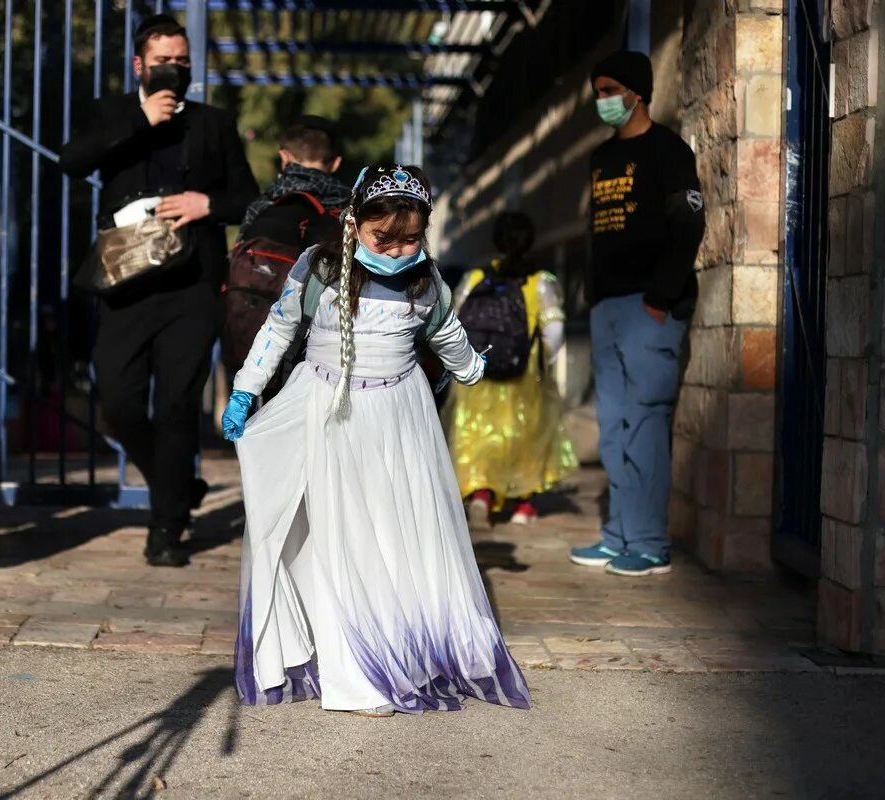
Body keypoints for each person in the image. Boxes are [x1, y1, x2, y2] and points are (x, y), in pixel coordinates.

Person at [222, 164, 531, 716]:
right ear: (353, 224)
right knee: (336, 533)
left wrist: (472, 368)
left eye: (408, 239)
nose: (394, 251)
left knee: (389, 535)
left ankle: (389, 650)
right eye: (381, 238)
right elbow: (279, 327)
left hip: (397, 422)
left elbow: (450, 338)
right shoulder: (318, 268)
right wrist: (246, 389)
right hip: (325, 414)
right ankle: (352, 672)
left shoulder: (426, 281)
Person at [60, 14, 258, 567]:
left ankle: (165, 528)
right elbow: (71, 161)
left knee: (174, 407)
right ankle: (176, 489)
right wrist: (138, 122)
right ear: (139, 65)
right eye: (163, 60)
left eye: (182, 60)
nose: (174, 69)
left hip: (193, 288)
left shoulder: (214, 123)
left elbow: (250, 198)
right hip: (126, 283)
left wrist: (207, 205)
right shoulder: (113, 113)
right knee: (120, 400)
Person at [571, 51, 705, 577]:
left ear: (637, 92)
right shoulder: (601, 158)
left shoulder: (669, 151)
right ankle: (619, 535)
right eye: (597, 92)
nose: (603, 100)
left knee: (646, 423)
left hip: (649, 307)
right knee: (613, 426)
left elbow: (688, 225)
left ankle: (649, 543)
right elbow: (596, 231)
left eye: (610, 90)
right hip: (607, 306)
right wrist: (595, 294)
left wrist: (659, 298)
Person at [443, 211, 578, 530]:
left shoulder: (476, 278)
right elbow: (554, 332)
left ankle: (481, 494)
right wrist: (543, 361)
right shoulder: (540, 282)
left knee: (477, 437)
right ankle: (523, 503)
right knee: (525, 439)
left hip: (480, 376)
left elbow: (453, 319)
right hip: (524, 378)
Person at [221, 116, 350, 396]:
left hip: (266, 351)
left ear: (284, 157)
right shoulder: (351, 211)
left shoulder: (262, 206)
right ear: (336, 163)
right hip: (329, 356)